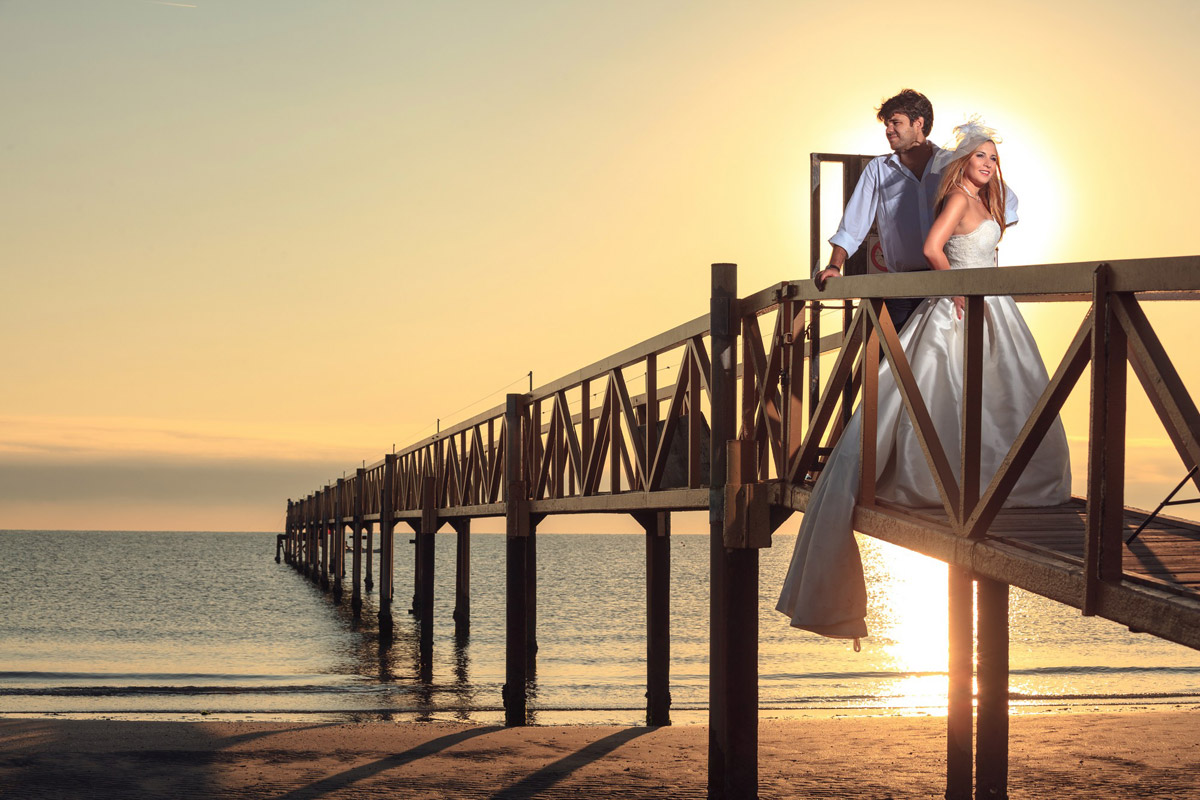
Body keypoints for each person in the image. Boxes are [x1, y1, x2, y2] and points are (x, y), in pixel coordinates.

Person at [777, 120, 1071, 641]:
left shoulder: (979, 190)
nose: (988, 164)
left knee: (999, 393)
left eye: (993, 158)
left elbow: (1008, 214)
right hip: (954, 297)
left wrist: (991, 181)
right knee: (939, 385)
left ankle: (993, 477)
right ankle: (932, 477)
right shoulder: (944, 190)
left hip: (993, 303)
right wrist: (952, 288)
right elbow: (933, 245)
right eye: (980, 157)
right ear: (962, 160)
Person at [815, 90, 1019, 332]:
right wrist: (834, 267)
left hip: (948, 283)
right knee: (889, 364)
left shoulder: (954, 163)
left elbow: (1006, 202)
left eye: (895, 122)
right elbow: (852, 226)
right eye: (887, 124)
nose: (889, 130)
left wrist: (977, 241)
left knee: (951, 362)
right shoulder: (877, 170)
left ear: (918, 123)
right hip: (902, 289)